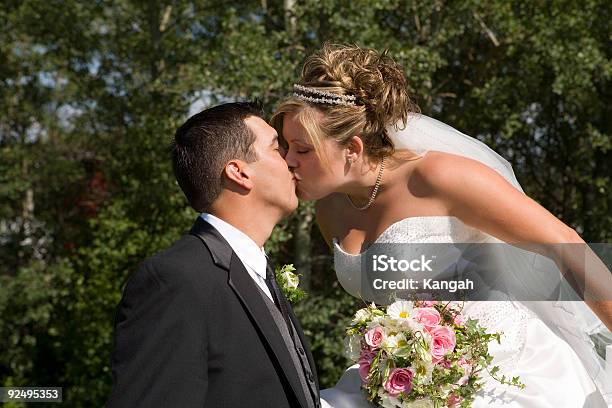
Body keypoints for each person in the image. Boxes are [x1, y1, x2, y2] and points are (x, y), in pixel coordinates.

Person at [272, 44, 612, 407]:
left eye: (302, 149)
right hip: (412, 384)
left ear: (352, 148)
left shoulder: (437, 176)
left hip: (505, 372)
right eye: (285, 146)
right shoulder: (330, 211)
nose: (288, 160)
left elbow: (562, 242)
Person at [107, 102, 320, 408]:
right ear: (239, 172)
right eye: (277, 147)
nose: (291, 160)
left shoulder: (257, 273)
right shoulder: (176, 280)